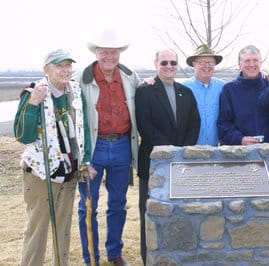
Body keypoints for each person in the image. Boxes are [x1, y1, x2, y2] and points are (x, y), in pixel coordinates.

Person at [14, 49, 95, 266]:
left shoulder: (75, 90)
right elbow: (23, 135)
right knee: (37, 230)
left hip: (69, 171)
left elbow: (84, 129)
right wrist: (32, 105)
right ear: (46, 69)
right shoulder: (33, 92)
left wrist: (85, 161)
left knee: (63, 230)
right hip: (40, 175)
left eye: (68, 65)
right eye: (59, 66)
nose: (65, 70)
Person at [74, 29, 140, 266]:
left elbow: (141, 100)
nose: (109, 56)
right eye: (104, 52)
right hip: (94, 147)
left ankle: (114, 252)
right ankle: (90, 256)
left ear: (119, 53)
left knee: (118, 204)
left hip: (122, 145)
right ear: (97, 53)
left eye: (114, 51)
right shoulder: (83, 80)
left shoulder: (130, 77)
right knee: (88, 205)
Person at [135, 49, 200, 265]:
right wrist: (170, 150)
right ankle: (149, 258)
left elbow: (194, 123)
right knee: (150, 213)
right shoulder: (144, 91)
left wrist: (181, 151)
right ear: (156, 64)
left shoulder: (185, 92)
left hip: (181, 163)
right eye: (164, 62)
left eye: (173, 62)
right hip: (154, 163)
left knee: (179, 213)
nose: (169, 66)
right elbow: (146, 126)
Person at [217, 44, 269, 145]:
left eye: (255, 60)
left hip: (268, 151)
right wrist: (240, 139)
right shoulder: (229, 90)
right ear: (239, 64)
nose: (251, 64)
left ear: (261, 62)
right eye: (247, 61)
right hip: (238, 152)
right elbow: (223, 124)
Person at [184, 44, 225, 145]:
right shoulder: (182, 88)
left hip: (216, 151)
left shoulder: (223, 87)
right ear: (194, 64)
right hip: (189, 150)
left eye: (210, 62)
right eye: (202, 62)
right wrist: (150, 81)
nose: (207, 66)